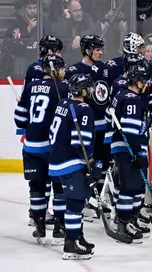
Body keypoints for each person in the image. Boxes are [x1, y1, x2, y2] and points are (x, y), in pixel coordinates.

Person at [14, 55, 69, 246]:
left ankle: (39, 224)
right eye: (62, 69)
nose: (64, 72)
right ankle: (60, 227)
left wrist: (30, 127)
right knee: (59, 188)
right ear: (54, 69)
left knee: (36, 188)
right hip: (52, 148)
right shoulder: (62, 88)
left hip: (30, 146)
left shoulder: (30, 87)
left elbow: (19, 118)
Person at [47, 73, 96, 259]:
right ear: (82, 91)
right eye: (88, 87)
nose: (90, 91)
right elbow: (80, 142)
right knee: (75, 203)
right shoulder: (85, 109)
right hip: (72, 163)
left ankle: (78, 237)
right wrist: (91, 161)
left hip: (56, 162)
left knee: (73, 201)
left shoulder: (63, 104)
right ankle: (71, 243)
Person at [64, 35, 111, 213]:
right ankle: (83, 199)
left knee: (102, 164)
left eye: (101, 49)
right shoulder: (74, 71)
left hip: (103, 126)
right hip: (85, 128)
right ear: (87, 50)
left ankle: (96, 198)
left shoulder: (105, 69)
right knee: (85, 164)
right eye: (97, 49)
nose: (101, 52)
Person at [108, 64, 152, 243]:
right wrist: (137, 153)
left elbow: (108, 117)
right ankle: (123, 223)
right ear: (138, 81)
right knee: (129, 188)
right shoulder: (132, 99)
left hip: (121, 147)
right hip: (128, 149)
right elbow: (131, 131)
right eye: (145, 81)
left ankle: (131, 220)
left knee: (134, 187)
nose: (147, 84)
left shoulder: (119, 95)